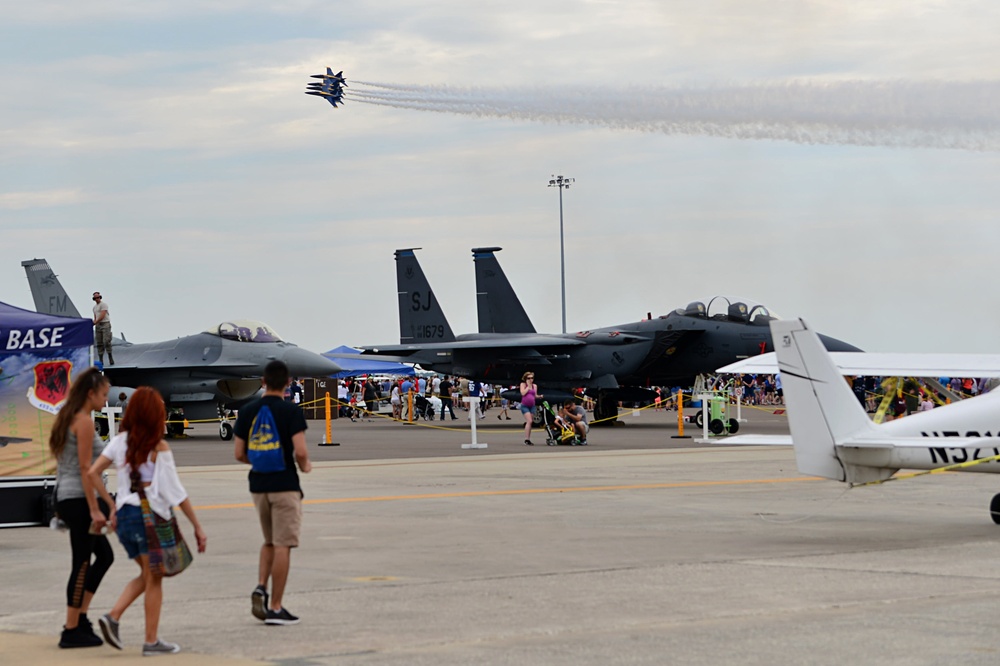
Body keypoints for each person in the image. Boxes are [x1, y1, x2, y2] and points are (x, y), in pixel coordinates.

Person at [88, 387, 208, 656]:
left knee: (147, 574)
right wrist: (197, 526)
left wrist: (110, 506)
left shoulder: (120, 441)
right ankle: (148, 640)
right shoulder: (159, 446)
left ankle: (114, 618)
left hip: (126, 517)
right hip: (150, 517)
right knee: (154, 579)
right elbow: (175, 493)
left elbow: (93, 472)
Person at [233, 360, 312, 626]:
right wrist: (305, 466)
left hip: (258, 486)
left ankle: (260, 586)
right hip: (284, 485)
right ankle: (276, 607)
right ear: (288, 382)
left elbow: (239, 453)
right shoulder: (291, 411)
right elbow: (300, 451)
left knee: (268, 541)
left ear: (263, 382)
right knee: (283, 545)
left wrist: (259, 460)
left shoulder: (247, 411)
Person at [50, 368, 115, 648]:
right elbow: (88, 470)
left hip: (67, 496)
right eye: (103, 394)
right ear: (90, 393)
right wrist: (97, 508)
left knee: (104, 557)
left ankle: (81, 617)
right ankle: (71, 629)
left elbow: (83, 469)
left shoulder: (68, 417)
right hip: (79, 500)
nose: (105, 400)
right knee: (82, 563)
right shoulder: (84, 422)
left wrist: (107, 502)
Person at [92, 292, 114, 366]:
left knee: (106, 341)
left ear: (100, 297)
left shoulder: (103, 305)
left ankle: (110, 357)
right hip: (98, 325)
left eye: (98, 297)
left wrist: (95, 322)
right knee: (99, 343)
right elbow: (95, 317)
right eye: (95, 298)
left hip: (105, 324)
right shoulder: (94, 308)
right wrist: (94, 323)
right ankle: (101, 359)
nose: (97, 299)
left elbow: (102, 315)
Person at [519, 372, 541, 446]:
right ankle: (526, 439)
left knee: (530, 422)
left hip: (532, 406)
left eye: (532, 378)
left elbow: (534, 395)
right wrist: (528, 387)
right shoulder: (523, 385)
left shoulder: (534, 386)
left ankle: (528, 438)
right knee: (530, 421)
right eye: (529, 378)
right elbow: (523, 393)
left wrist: (539, 396)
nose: (531, 380)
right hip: (524, 405)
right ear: (525, 379)